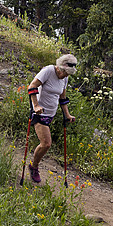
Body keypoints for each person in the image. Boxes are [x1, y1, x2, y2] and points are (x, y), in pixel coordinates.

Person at [26, 54, 77, 183]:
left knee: (45, 144)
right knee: (46, 144)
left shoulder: (64, 78)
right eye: (65, 73)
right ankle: (34, 167)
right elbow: (32, 86)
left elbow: (62, 98)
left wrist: (67, 115)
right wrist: (36, 105)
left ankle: (34, 165)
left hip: (51, 114)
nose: (65, 77)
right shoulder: (48, 71)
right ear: (60, 68)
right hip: (39, 113)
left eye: (68, 75)